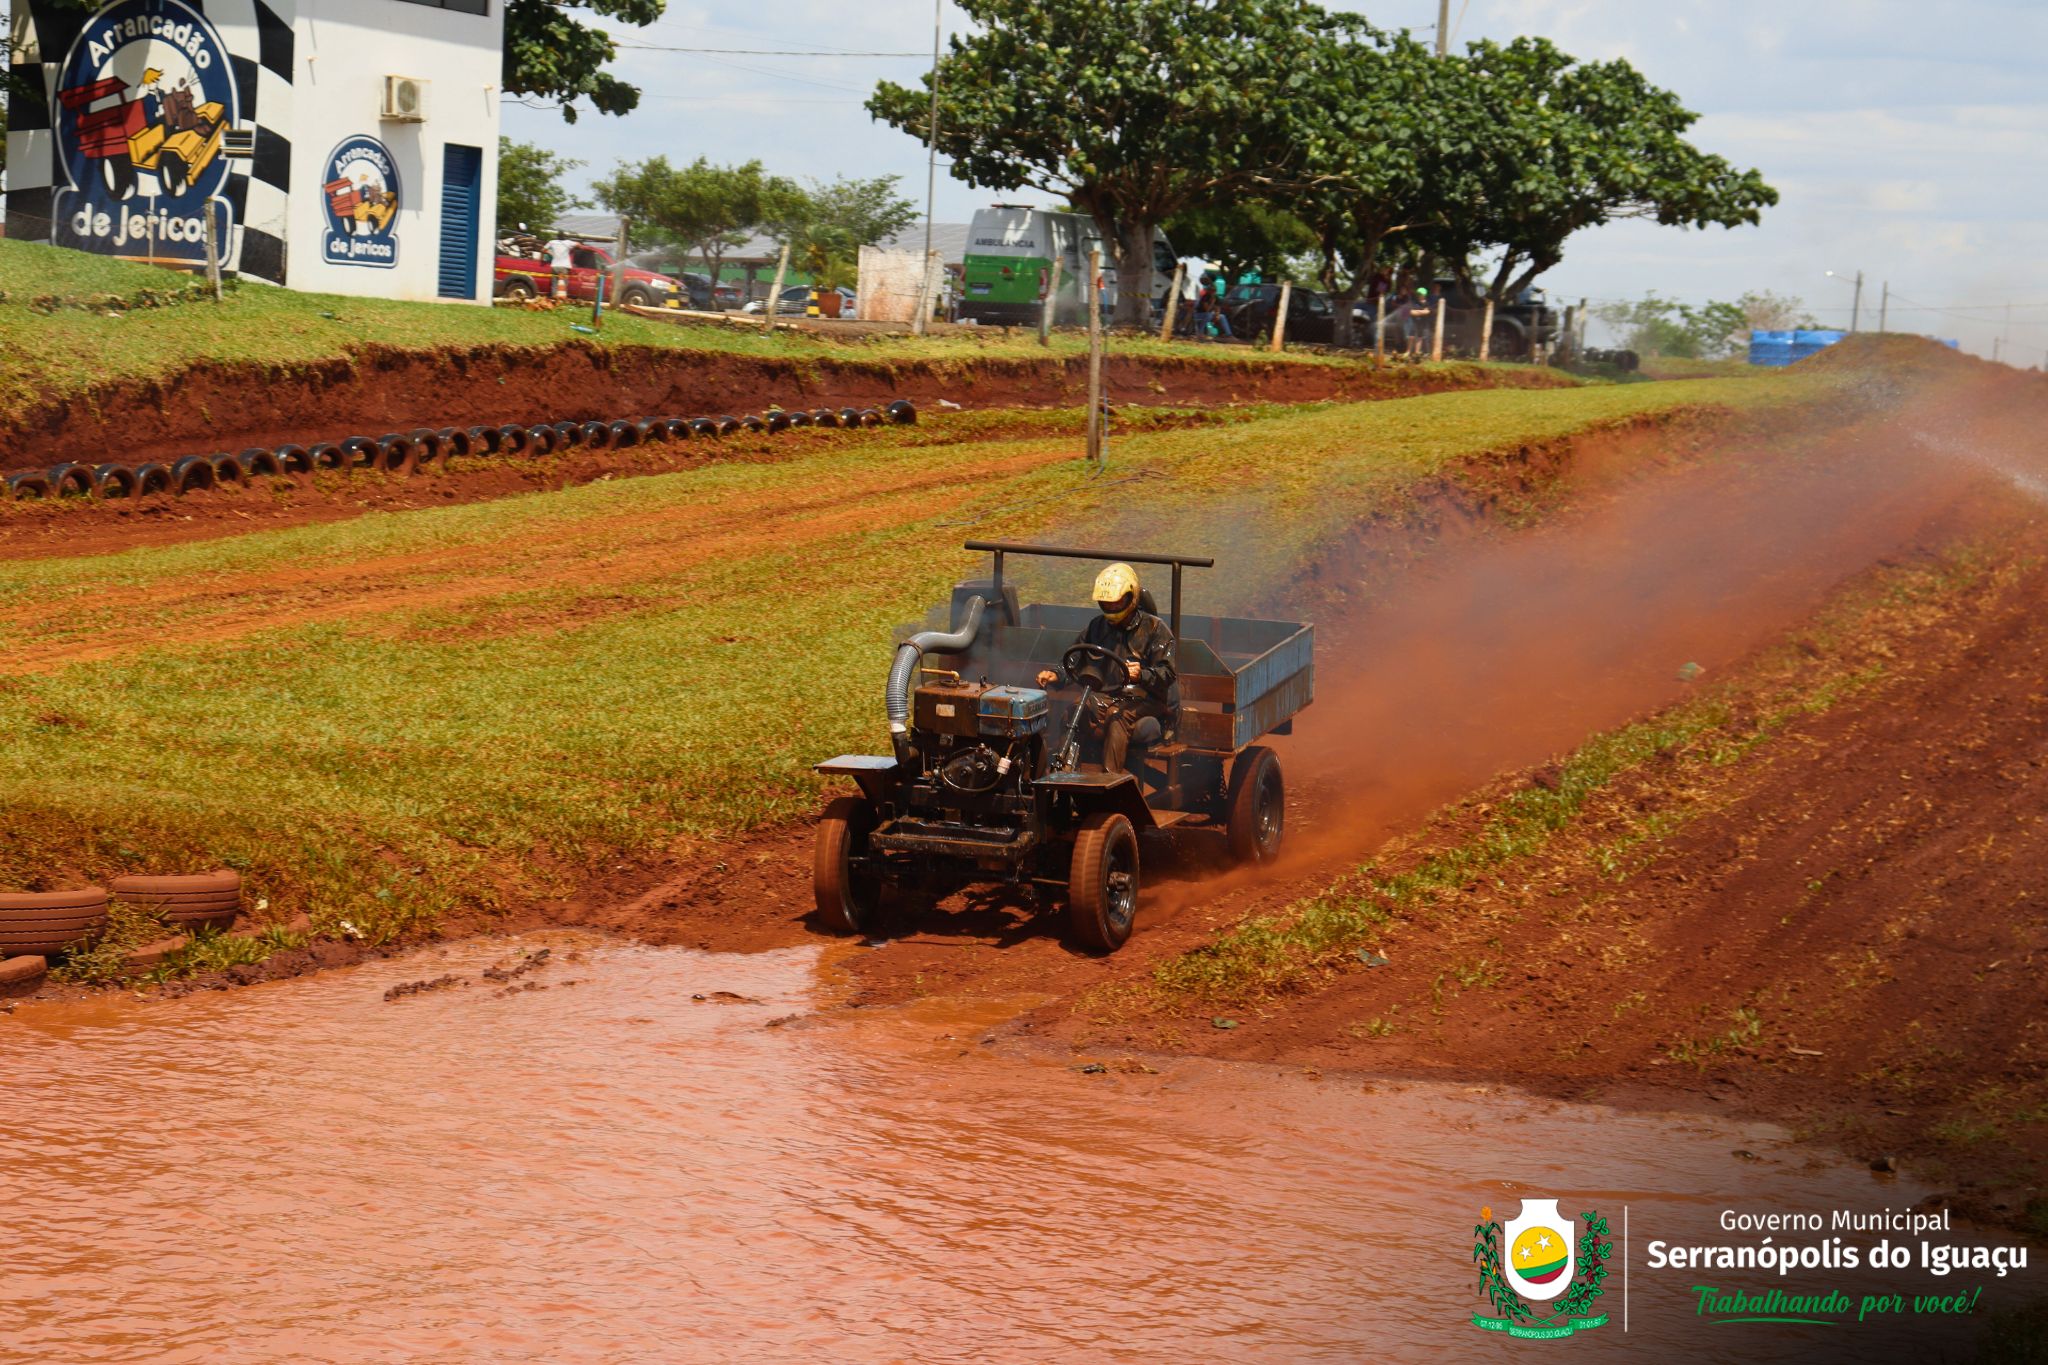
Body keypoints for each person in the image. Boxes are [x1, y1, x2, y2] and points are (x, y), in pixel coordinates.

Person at [1036, 563, 1181, 777]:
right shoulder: (1097, 626)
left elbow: (1167, 674)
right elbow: (1076, 659)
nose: (1112, 608)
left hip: (1146, 699)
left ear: (1131, 596)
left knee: (1117, 718)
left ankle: (1109, 780)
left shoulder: (1155, 629)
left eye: (1117, 602)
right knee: (1075, 711)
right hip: (1106, 695)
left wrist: (1141, 674)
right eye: (1106, 603)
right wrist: (1057, 674)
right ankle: (1065, 774)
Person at [542, 235, 577, 299]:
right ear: (564, 237)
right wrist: (578, 247)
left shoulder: (552, 242)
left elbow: (543, 250)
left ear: (557, 237)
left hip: (555, 266)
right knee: (563, 283)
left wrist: (551, 253)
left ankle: (554, 297)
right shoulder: (568, 242)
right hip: (564, 267)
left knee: (554, 283)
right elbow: (578, 244)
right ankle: (562, 298)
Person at [1405, 285, 1434, 357]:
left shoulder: (1427, 303)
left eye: (1422, 294)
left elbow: (1427, 312)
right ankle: (1408, 351)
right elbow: (1411, 312)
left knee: (1420, 337)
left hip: (1422, 323)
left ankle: (1417, 352)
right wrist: (1421, 312)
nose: (1420, 296)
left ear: (1425, 295)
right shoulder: (1414, 302)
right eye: (1419, 294)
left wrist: (1417, 312)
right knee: (1411, 336)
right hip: (1413, 322)